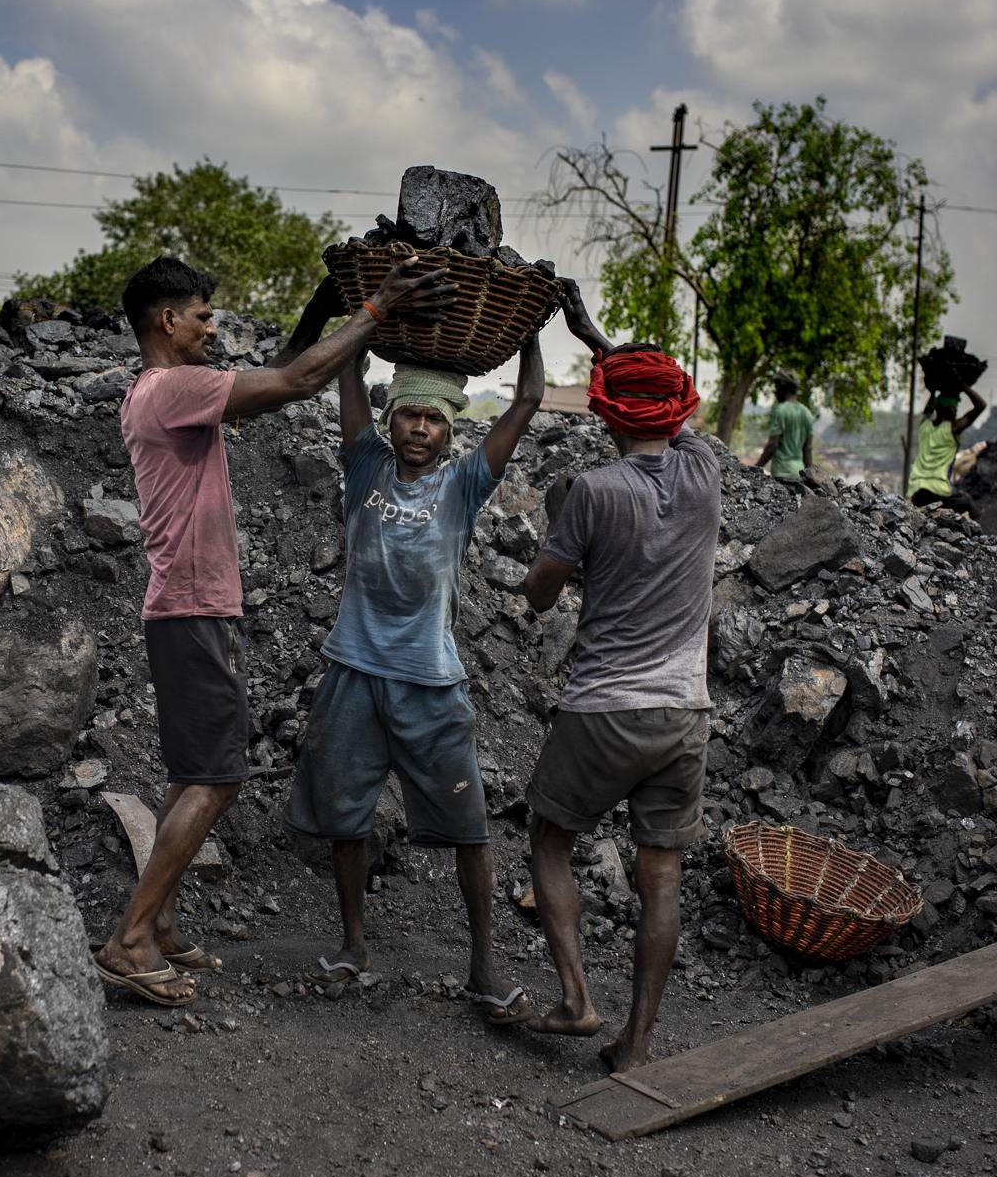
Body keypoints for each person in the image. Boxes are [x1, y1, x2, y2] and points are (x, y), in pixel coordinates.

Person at [94, 253, 451, 1008]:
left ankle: (154, 922)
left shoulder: (158, 392)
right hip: (193, 606)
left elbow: (283, 369)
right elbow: (296, 383)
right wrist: (378, 311)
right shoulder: (172, 388)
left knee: (195, 772)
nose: (211, 326)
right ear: (167, 320)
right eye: (201, 314)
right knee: (218, 777)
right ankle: (129, 940)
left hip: (187, 605)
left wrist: (324, 307)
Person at [285, 338, 544, 1022]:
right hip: (354, 671)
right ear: (390, 418)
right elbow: (346, 369)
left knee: (469, 828)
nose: (420, 431)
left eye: (433, 420)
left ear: (449, 427)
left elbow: (528, 401)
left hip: (429, 682)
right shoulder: (365, 465)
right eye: (409, 417)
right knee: (345, 817)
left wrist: (535, 330)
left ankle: (484, 969)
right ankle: (351, 945)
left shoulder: (463, 483)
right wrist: (368, 315)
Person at [515, 343, 720, 1073]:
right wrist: (609, 346)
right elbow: (673, 410)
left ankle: (576, 998)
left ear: (603, 410)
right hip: (684, 712)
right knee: (660, 876)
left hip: (604, 706)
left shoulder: (595, 489)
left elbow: (542, 589)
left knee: (548, 837)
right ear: (676, 407)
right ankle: (635, 1045)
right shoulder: (706, 471)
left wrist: (547, 564)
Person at [907, 387, 986, 516]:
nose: (956, 412)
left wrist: (932, 391)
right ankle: (976, 535)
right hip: (938, 491)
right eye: (955, 409)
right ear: (951, 410)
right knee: (967, 503)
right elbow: (981, 406)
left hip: (917, 492)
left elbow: (927, 411)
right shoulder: (952, 429)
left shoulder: (925, 426)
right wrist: (963, 385)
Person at [754, 375, 814, 478]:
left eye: (777, 387)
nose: (775, 392)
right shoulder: (807, 413)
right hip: (798, 472)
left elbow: (772, 445)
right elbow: (807, 449)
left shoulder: (780, 410)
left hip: (782, 472)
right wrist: (811, 477)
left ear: (784, 388)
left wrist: (756, 468)